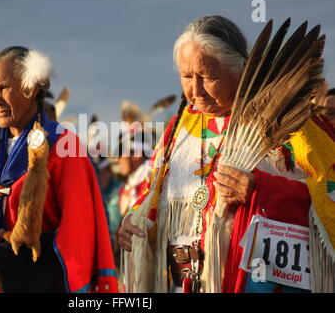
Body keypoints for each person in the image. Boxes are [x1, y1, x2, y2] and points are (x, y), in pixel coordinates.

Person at [118, 15, 335, 293]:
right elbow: (153, 196)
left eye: (208, 76)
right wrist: (135, 223)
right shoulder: (180, 126)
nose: (195, 91)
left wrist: (264, 190)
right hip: (182, 282)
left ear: (243, 70)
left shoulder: (288, 122)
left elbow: (329, 188)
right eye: (186, 76)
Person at [0, 46, 118, 293]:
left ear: (31, 88)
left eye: (3, 88)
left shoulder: (63, 147)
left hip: (38, 283)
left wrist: (8, 253)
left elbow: (79, 234)